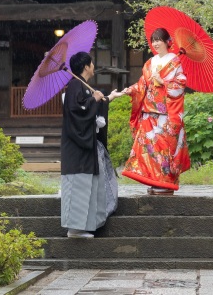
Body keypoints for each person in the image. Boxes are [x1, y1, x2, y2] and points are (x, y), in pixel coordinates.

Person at [120, 28, 190, 195]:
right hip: (148, 112)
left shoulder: (174, 61)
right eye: (153, 40)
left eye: (159, 40)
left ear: (167, 42)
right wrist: (132, 90)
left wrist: (164, 81)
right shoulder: (150, 62)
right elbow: (142, 84)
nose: (155, 43)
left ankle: (165, 184)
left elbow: (180, 84)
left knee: (164, 149)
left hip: (165, 114)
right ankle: (154, 181)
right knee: (149, 148)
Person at [61, 51, 122, 238]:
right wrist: (93, 99)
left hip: (86, 147)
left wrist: (108, 98)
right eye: (92, 63)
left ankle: (84, 226)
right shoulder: (74, 85)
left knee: (89, 185)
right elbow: (76, 112)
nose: (94, 66)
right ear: (86, 66)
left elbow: (92, 107)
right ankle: (74, 229)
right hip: (77, 148)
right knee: (78, 185)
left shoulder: (82, 86)